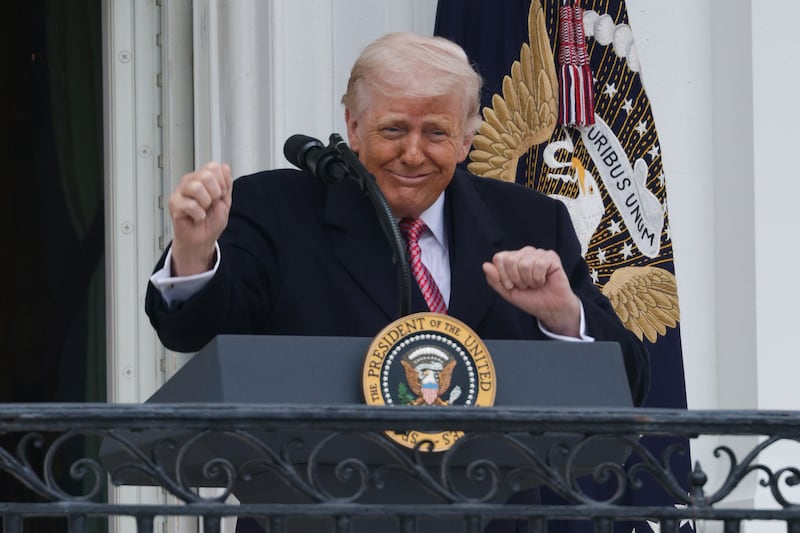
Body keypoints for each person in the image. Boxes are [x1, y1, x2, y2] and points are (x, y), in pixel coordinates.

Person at [145, 32, 649, 532]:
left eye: (435, 132)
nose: (413, 153)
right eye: (392, 130)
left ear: (467, 138)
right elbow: (192, 330)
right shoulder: (274, 208)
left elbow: (628, 382)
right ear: (354, 125)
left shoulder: (531, 223)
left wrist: (563, 316)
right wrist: (194, 251)